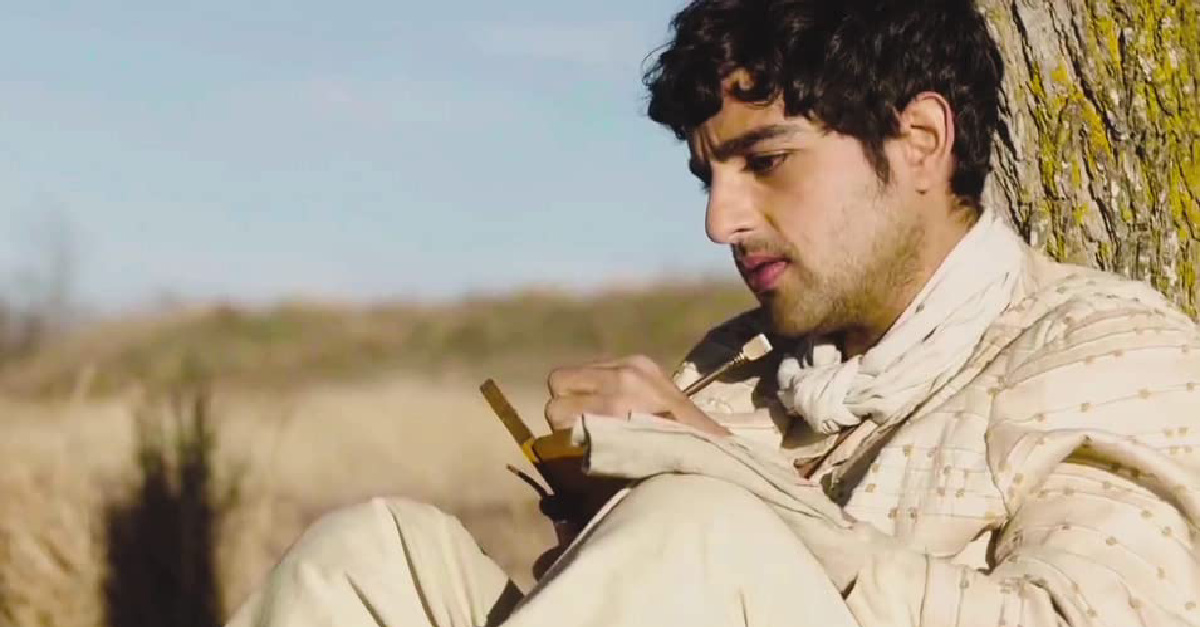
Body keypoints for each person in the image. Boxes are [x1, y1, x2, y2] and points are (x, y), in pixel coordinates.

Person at [227, 0, 1200, 625]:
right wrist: (600, 517)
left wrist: (720, 490)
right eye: (708, 175)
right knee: (373, 557)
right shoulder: (739, 369)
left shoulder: (1104, 349)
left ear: (918, 142)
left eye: (766, 162)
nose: (721, 220)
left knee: (698, 526)